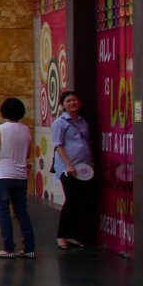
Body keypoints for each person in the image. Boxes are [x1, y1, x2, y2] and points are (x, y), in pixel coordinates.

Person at [0, 96, 36, 258]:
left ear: (3, 111)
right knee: (22, 212)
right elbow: (27, 153)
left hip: (2, 174)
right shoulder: (26, 130)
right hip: (20, 175)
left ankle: (8, 248)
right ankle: (29, 248)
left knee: (3, 211)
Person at [51, 89, 97, 250]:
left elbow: (87, 143)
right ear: (63, 105)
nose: (72, 103)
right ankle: (61, 235)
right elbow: (58, 145)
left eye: (74, 100)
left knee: (81, 201)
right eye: (68, 101)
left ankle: (72, 235)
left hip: (84, 168)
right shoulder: (60, 123)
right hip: (68, 169)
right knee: (71, 200)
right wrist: (68, 165)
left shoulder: (83, 122)